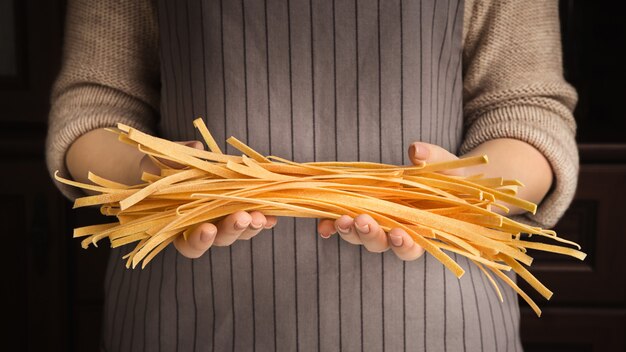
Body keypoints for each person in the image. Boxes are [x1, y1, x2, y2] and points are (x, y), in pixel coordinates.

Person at [46, 0, 578, 350]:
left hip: (436, 314)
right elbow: (95, 104)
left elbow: (527, 109)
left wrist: (463, 193)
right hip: (188, 312)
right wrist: (147, 175)